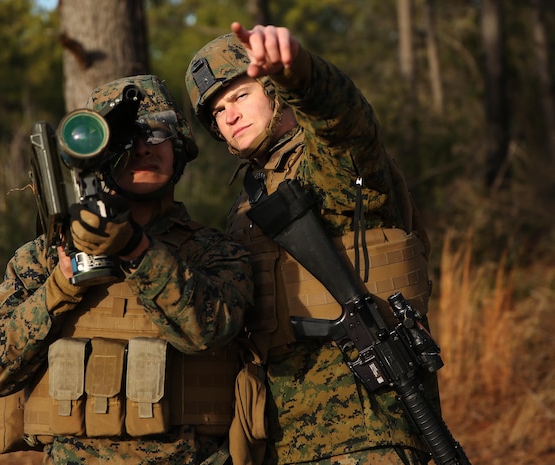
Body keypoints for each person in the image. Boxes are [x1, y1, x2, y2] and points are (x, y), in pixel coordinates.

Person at [185, 23, 438, 465]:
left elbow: (344, 123)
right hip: (285, 438)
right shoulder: (245, 203)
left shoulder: (329, 165)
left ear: (273, 90)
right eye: (217, 111)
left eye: (240, 95)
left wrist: (300, 73)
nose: (229, 116)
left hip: (366, 430)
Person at [0, 74, 253, 465]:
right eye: (125, 139)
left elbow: (210, 331)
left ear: (179, 148)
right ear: (98, 153)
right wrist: (60, 286)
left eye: (156, 135)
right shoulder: (42, 257)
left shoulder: (213, 251)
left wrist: (135, 250)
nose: (142, 149)